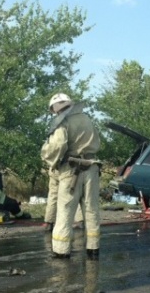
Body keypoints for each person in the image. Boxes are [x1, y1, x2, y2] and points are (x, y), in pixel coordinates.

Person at [41, 93, 102, 260]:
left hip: (71, 169)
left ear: (55, 109)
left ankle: (61, 251)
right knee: (91, 210)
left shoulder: (63, 122)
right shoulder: (87, 118)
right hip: (92, 167)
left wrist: (47, 155)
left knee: (65, 211)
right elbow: (97, 141)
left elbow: (58, 146)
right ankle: (93, 248)